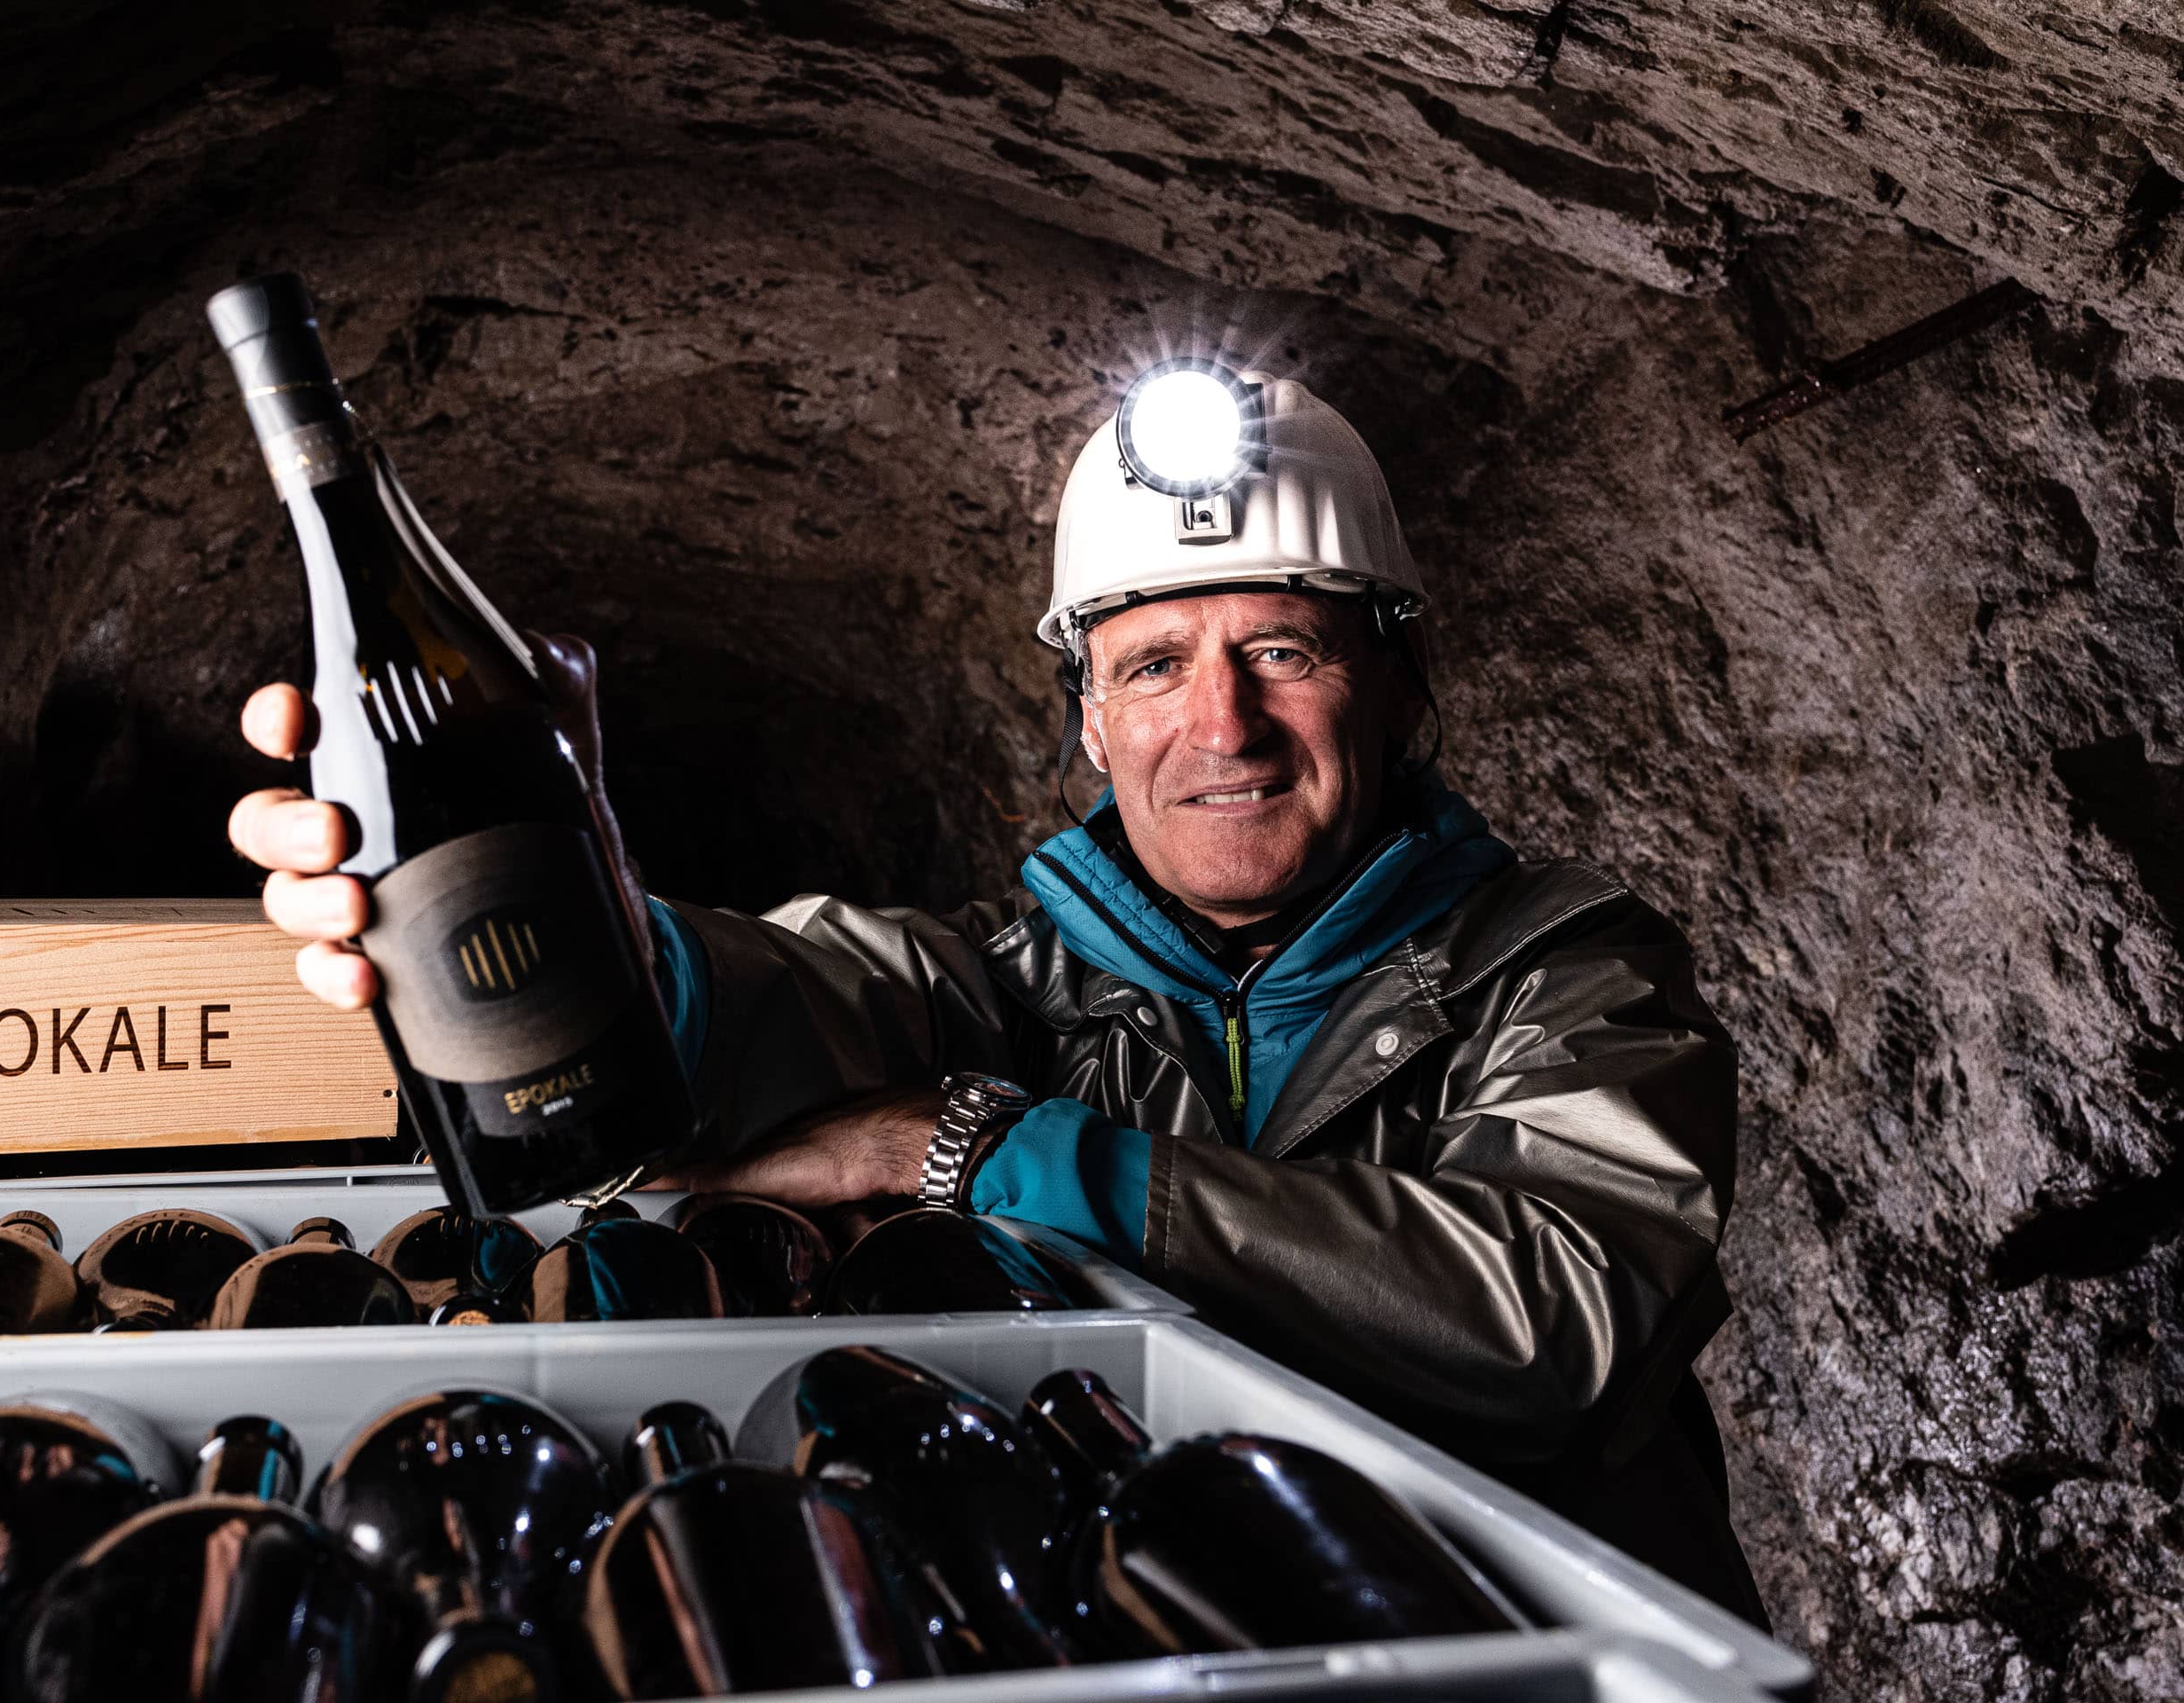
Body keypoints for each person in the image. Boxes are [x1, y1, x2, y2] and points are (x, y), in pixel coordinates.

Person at [226, 367, 1768, 1624]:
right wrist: (576, 925)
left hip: (1556, 1657)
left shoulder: (1570, 969)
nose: (1221, 723)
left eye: (1282, 649)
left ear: (1403, 682)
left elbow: (1550, 1323)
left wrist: (983, 1151)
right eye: (1153, 665)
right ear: (1091, 723)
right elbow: (758, 1021)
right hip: (1181, 1638)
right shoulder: (1015, 983)